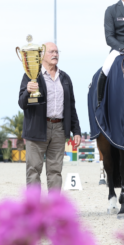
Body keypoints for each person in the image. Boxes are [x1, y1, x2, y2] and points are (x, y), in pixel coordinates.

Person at [19, 42, 82, 192]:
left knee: (55, 171)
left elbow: (71, 106)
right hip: (37, 129)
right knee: (33, 171)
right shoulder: (30, 75)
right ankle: (34, 210)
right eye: (51, 52)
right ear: (42, 55)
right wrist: (27, 91)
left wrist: (77, 130)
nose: (55, 54)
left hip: (59, 129)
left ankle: (54, 210)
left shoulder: (65, 78)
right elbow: (22, 103)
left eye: (57, 52)